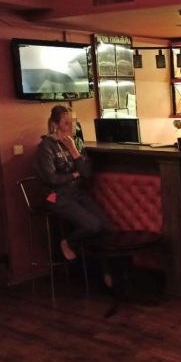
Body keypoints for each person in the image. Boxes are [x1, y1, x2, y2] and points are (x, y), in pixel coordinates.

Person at [34, 105, 114, 264]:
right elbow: (51, 179)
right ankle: (68, 242)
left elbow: (87, 172)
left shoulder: (76, 142)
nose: (72, 127)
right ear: (55, 125)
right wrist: (75, 174)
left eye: (74, 122)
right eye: (66, 123)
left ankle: (104, 271)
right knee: (93, 225)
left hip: (76, 191)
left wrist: (74, 151)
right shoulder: (46, 146)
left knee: (107, 226)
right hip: (54, 195)